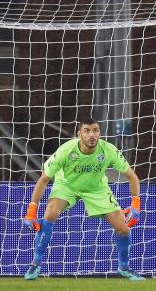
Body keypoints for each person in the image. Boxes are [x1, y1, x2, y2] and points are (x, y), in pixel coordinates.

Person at [23, 118, 145, 280]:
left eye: (95, 130)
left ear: (99, 133)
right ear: (79, 134)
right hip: (67, 185)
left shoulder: (108, 150)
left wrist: (136, 205)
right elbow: (44, 179)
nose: (91, 135)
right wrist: (32, 211)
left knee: (123, 229)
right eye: (87, 131)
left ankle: (124, 268)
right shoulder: (66, 150)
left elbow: (132, 177)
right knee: (50, 214)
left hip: (96, 188)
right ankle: (35, 264)